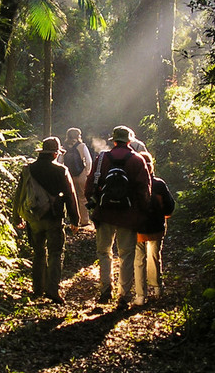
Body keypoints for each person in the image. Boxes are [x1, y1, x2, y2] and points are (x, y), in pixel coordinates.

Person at [85, 125, 151, 309]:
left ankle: (105, 289)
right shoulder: (137, 160)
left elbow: (90, 184)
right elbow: (144, 189)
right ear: (129, 140)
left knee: (104, 252)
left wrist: (93, 203)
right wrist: (143, 212)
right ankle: (124, 295)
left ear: (113, 140)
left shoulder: (102, 158)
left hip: (104, 212)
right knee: (126, 254)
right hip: (128, 215)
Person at [11, 136, 80, 304]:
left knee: (38, 253)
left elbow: (19, 194)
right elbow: (70, 196)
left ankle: (37, 289)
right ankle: (52, 290)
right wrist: (74, 219)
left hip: (33, 217)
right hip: (54, 217)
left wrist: (16, 216)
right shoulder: (61, 170)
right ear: (55, 154)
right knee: (55, 253)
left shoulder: (28, 169)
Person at [134, 151, 175, 305]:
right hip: (156, 226)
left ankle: (140, 295)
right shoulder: (159, 184)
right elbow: (169, 207)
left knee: (139, 260)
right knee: (154, 257)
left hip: (137, 228)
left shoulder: (133, 184)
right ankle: (157, 288)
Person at [60, 127, 93, 226]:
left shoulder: (63, 147)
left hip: (68, 174)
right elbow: (88, 161)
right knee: (82, 197)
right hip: (81, 174)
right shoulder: (82, 146)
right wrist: (87, 172)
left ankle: (72, 220)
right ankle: (84, 220)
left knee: (69, 197)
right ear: (78, 136)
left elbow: (59, 161)